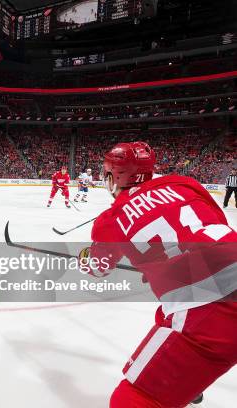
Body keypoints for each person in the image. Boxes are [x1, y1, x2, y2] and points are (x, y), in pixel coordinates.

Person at [80, 142, 236, 407]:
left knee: (134, 399)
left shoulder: (111, 219)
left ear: (114, 176)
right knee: (165, 314)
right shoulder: (185, 183)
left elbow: (98, 268)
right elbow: (214, 224)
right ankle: (188, 376)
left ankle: (182, 375)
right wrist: (167, 264)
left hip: (212, 306)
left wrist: (85, 258)